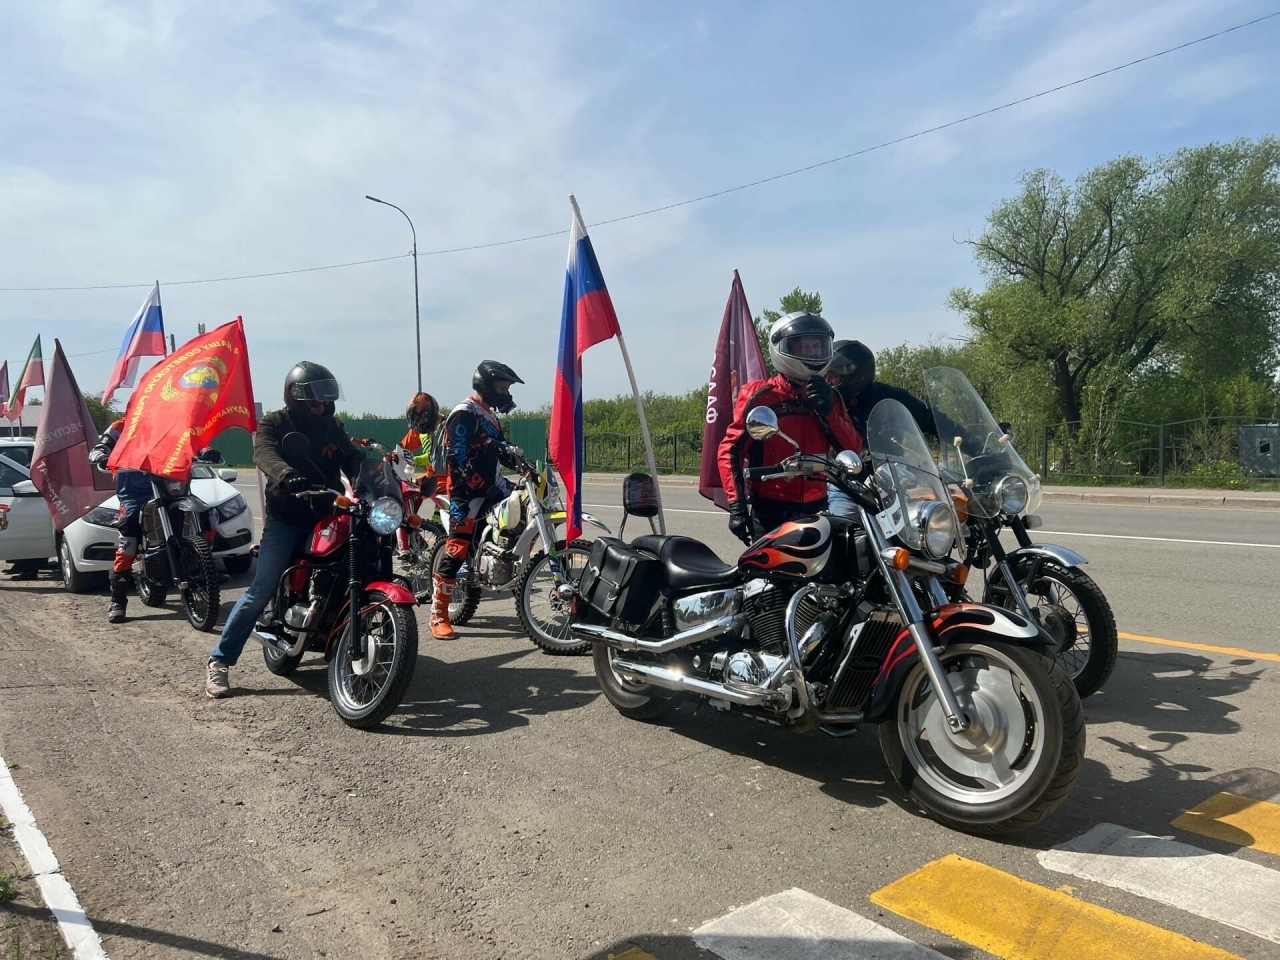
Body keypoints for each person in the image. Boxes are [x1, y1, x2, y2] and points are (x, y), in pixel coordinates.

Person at [204, 361, 367, 699]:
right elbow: (264, 453)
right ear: (297, 399)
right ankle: (219, 662)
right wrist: (285, 474)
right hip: (288, 517)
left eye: (325, 402)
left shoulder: (332, 427)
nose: (321, 407)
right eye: (315, 402)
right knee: (260, 589)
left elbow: (352, 457)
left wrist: (372, 471)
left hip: (327, 511)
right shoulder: (274, 423)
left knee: (360, 559)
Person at [717, 313, 861, 545]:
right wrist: (737, 506)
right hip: (771, 510)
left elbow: (853, 448)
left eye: (817, 346)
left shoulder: (831, 397)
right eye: (804, 347)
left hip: (819, 507)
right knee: (765, 579)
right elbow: (731, 450)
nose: (812, 353)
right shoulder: (762, 395)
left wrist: (827, 412)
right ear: (784, 348)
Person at [429, 361, 524, 640]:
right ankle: (438, 615)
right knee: (457, 549)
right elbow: (455, 455)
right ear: (487, 386)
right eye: (502, 388)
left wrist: (523, 464)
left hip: (494, 488)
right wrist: (474, 483)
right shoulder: (464, 413)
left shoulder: (491, 416)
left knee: (525, 510)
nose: (506, 393)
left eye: (507, 389)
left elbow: (502, 452)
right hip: (465, 493)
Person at [825, 339, 936, 518]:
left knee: (922, 533)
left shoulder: (891, 397)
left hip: (893, 485)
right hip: (846, 486)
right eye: (827, 375)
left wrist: (977, 442)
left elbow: (933, 421)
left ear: (855, 373)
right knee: (842, 528)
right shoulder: (827, 402)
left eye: (834, 375)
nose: (829, 381)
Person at [88, 419, 157, 623]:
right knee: (128, 541)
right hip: (134, 493)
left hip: (168, 487)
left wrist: (206, 451)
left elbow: (192, 441)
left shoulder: (169, 419)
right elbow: (97, 450)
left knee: (206, 517)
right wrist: (102, 457)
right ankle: (118, 600)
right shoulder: (121, 426)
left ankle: (204, 572)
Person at [395, 391, 441, 559]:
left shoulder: (445, 427)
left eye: (421, 418)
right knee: (405, 496)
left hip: (448, 480)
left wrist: (414, 459)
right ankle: (415, 539)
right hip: (430, 479)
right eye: (416, 419)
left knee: (443, 523)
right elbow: (402, 448)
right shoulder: (418, 430)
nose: (419, 423)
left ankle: (441, 550)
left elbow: (437, 456)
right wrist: (390, 458)